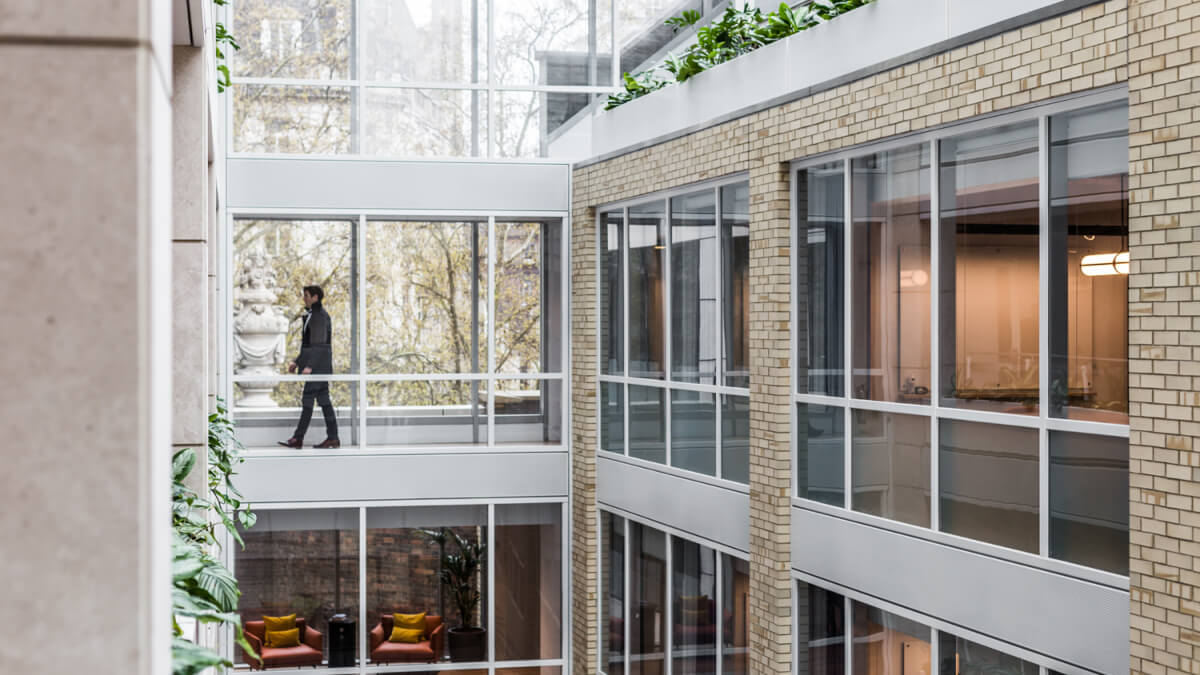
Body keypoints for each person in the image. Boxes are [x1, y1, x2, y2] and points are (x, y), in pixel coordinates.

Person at [278, 285, 339, 449]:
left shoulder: (318, 316)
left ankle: (298, 438)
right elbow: (309, 345)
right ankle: (333, 438)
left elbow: (319, 345)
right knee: (324, 401)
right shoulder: (313, 316)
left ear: (315, 297)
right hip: (319, 368)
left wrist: (309, 366)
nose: (304, 298)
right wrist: (297, 361)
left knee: (307, 401)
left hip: (318, 369)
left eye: (306, 296)